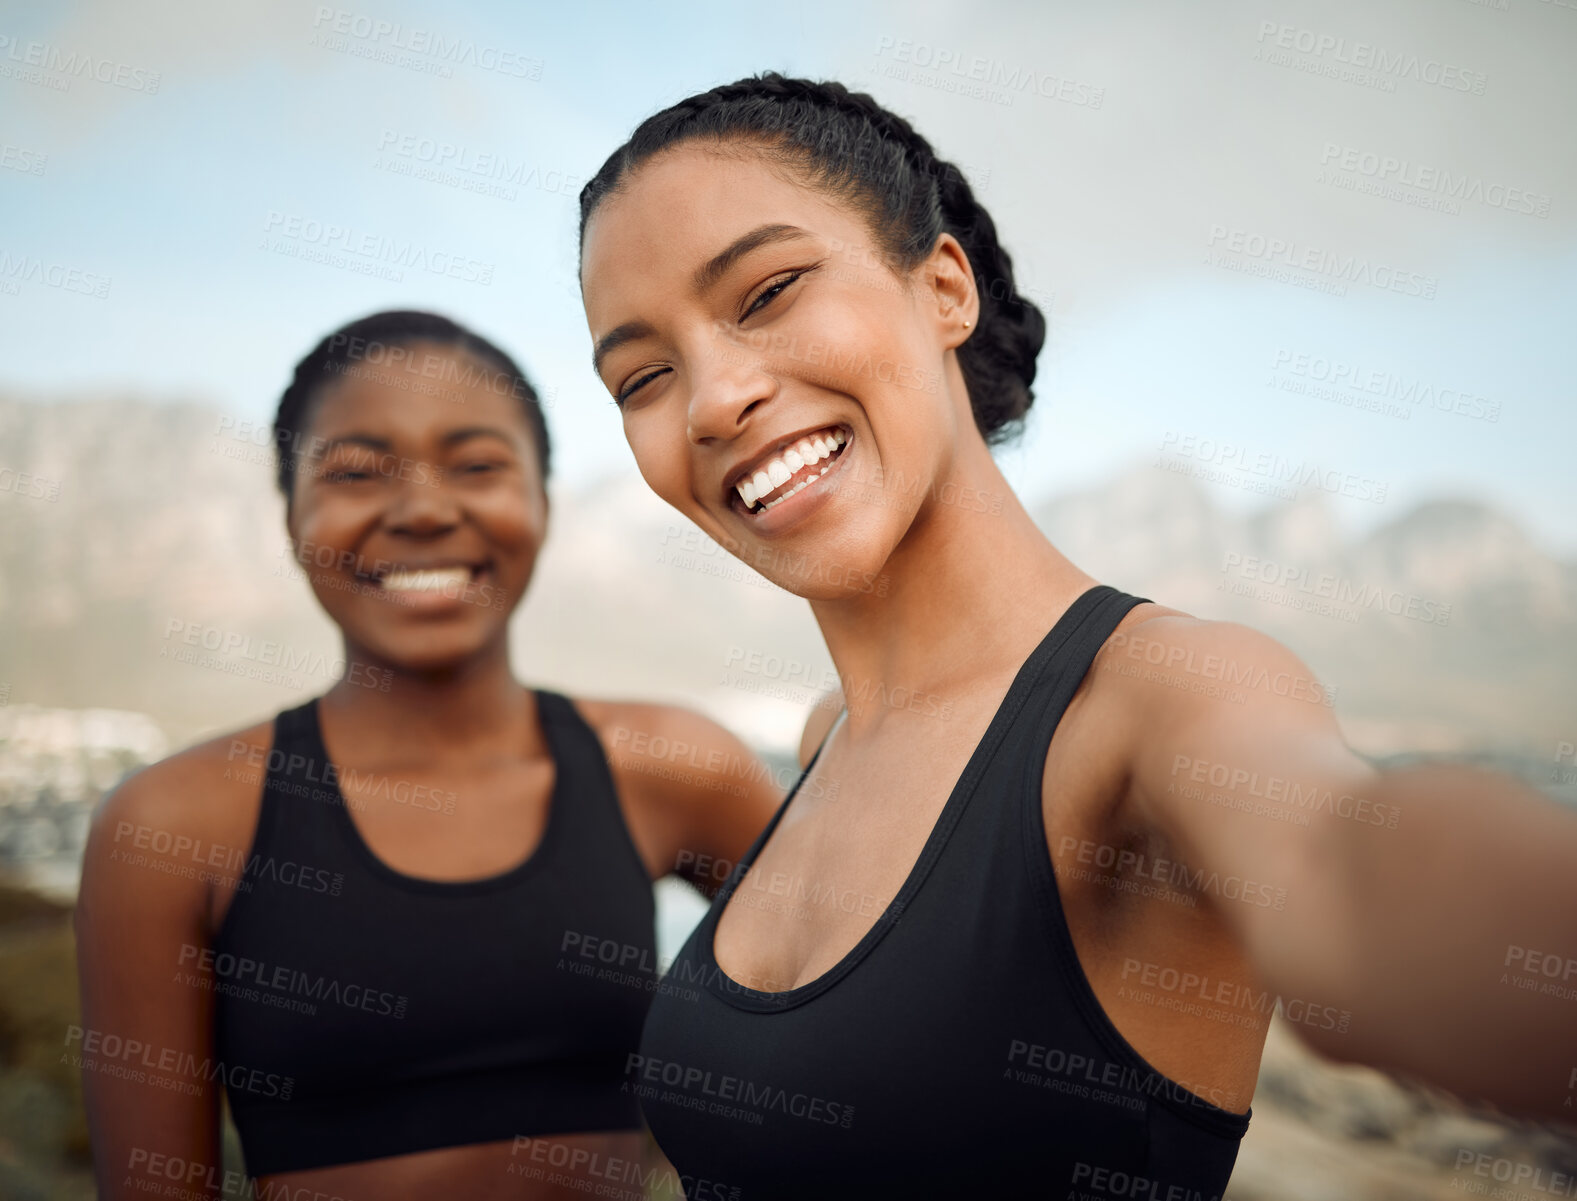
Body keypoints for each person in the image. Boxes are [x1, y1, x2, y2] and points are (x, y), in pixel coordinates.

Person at [575, 73, 1577, 1198]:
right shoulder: (822, 744)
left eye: (768, 291)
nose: (710, 400)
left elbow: (1352, 866)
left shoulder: (1160, 698)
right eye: (643, 375)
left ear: (943, 287)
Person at [74, 310, 784, 1200]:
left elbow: (869, 1023)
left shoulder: (674, 766)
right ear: (289, 510)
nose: (421, 509)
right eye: (356, 472)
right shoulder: (170, 825)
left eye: (478, 465)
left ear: (542, 501)